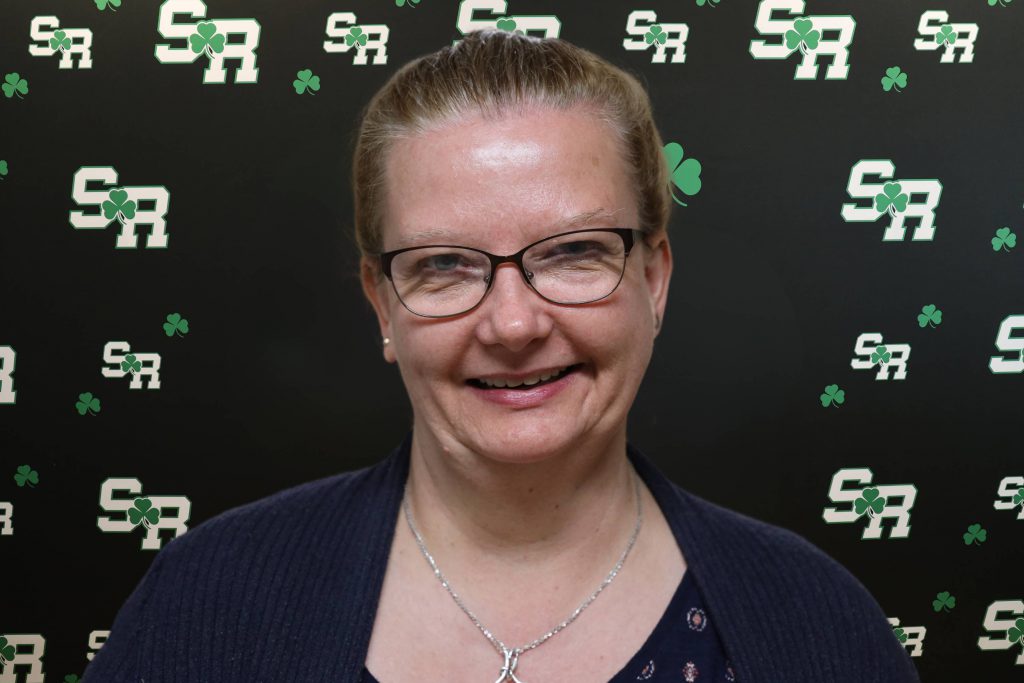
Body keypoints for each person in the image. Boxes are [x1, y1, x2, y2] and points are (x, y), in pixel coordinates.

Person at [83, 30, 920, 682]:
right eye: (444, 264)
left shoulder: (818, 620)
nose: (513, 323)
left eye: (573, 253)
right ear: (382, 302)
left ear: (654, 278)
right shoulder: (211, 601)